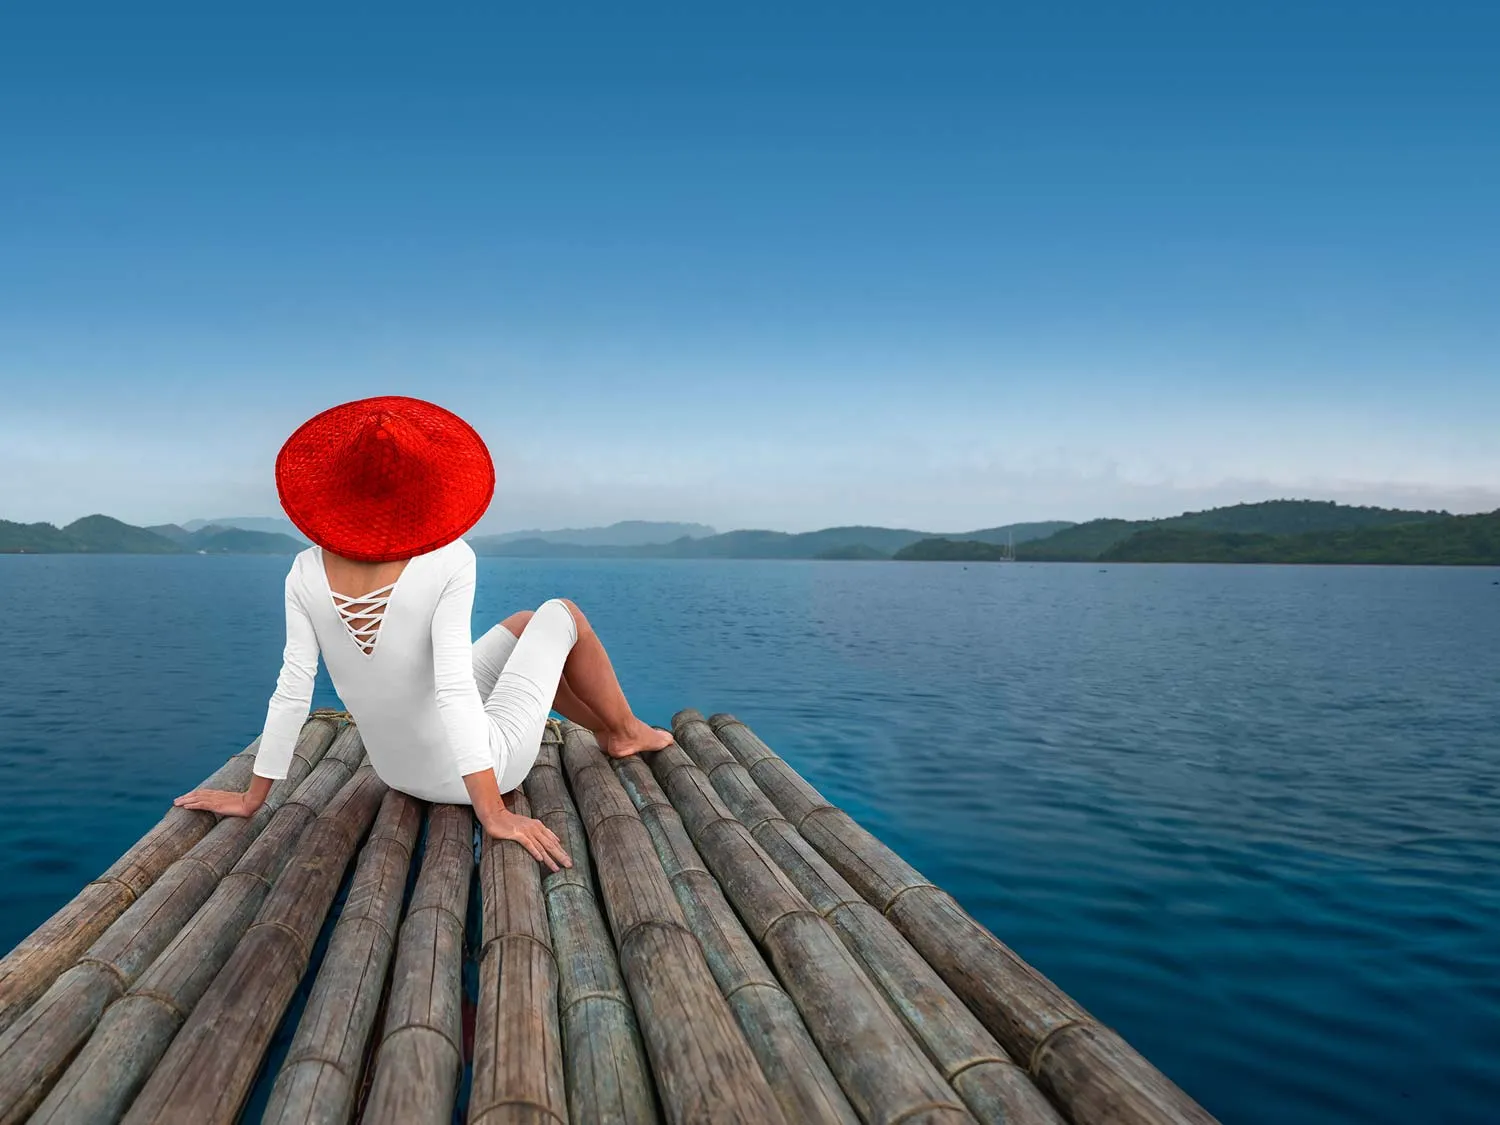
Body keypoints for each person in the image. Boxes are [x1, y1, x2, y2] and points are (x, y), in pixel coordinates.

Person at [173, 395, 672, 871]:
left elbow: (292, 690)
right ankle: (626, 732)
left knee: (524, 624)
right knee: (562, 613)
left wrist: (251, 798)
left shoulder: (304, 570)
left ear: (338, 489)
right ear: (425, 486)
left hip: (395, 770)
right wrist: (493, 811)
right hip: (481, 772)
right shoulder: (449, 559)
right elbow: (453, 688)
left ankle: (608, 729)